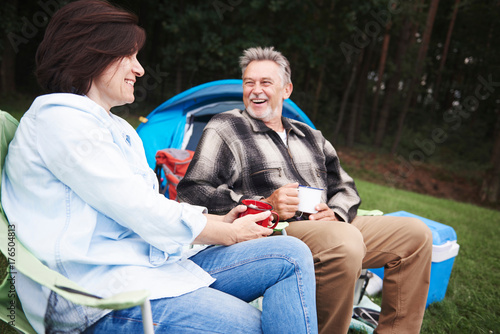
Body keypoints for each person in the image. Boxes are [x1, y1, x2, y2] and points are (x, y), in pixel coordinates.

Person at [1, 4, 318, 333]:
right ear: (94, 54)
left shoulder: (112, 125)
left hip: (146, 266)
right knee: (251, 327)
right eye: (131, 56)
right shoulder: (61, 120)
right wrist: (229, 232)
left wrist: (219, 221)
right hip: (94, 294)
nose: (139, 70)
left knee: (291, 255)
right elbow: (136, 207)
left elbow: (148, 203)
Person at [177, 46, 434, 334]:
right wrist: (266, 204)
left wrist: (336, 213)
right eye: (249, 83)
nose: (256, 90)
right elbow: (193, 192)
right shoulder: (226, 127)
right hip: (275, 230)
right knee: (345, 240)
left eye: (265, 83)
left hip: (327, 224)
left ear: (286, 90)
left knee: (416, 235)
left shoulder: (311, 136)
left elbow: (345, 187)